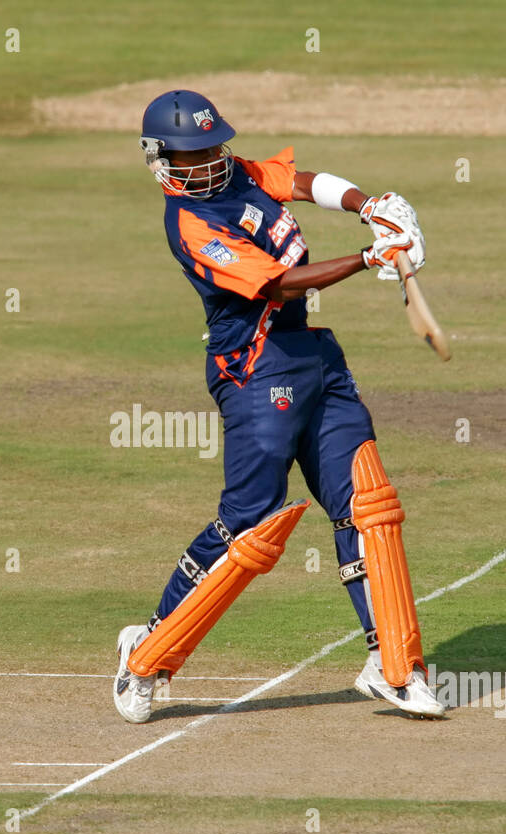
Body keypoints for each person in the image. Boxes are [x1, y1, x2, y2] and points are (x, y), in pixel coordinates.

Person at [114, 89, 445, 723]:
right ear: (162, 161)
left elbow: (299, 180)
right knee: (249, 526)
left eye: (215, 145)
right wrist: (369, 256)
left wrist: (367, 203)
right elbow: (274, 281)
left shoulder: (240, 174)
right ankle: (146, 655)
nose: (212, 159)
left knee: (367, 507)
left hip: (315, 359)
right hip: (254, 374)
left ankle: (394, 667)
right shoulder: (189, 225)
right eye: (195, 152)